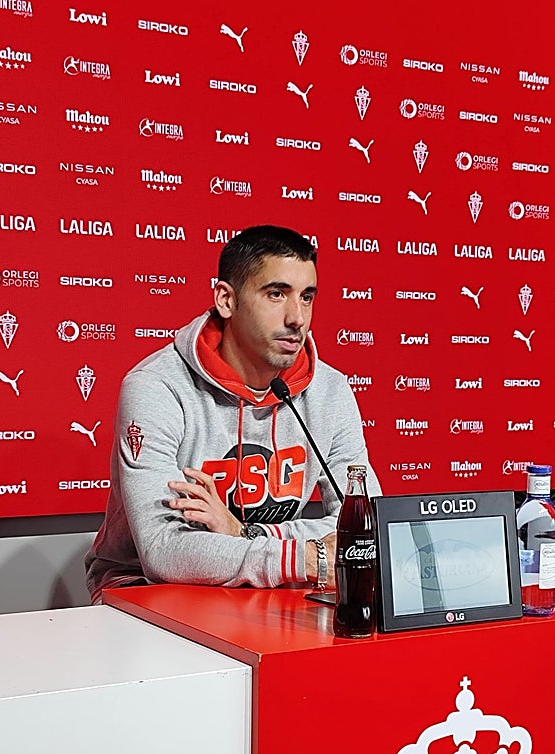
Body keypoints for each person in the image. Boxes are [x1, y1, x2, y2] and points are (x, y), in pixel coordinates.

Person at [85, 225, 380, 600]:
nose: (297, 318)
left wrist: (243, 533)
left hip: (272, 579)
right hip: (146, 585)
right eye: (276, 294)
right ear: (226, 300)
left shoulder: (329, 390)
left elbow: (365, 528)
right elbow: (164, 550)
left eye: (307, 297)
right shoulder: (157, 386)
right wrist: (310, 558)